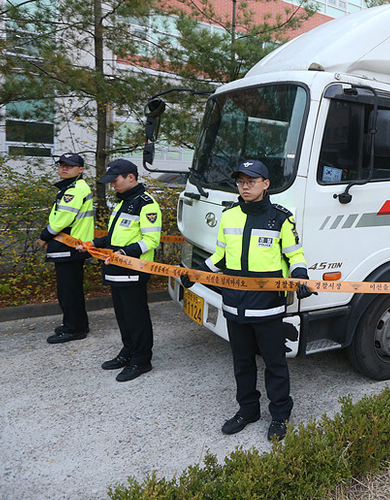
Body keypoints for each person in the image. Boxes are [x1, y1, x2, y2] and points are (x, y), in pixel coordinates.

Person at [182, 160, 314, 442]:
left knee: (274, 363)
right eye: (241, 181)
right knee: (242, 362)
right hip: (234, 304)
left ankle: (279, 415)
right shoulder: (229, 216)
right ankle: (248, 410)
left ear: (265, 184)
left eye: (251, 181)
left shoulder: (281, 217)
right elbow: (219, 257)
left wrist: (301, 277)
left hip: (267, 305)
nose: (244, 186)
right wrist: (195, 274)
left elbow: (295, 255)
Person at [80, 159, 162, 382]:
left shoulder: (146, 204)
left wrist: (124, 254)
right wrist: (95, 244)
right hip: (116, 268)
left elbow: (151, 240)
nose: (112, 186)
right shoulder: (123, 202)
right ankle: (129, 350)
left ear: (131, 178)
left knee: (136, 317)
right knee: (123, 316)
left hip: (133, 270)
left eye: (115, 181)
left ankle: (142, 359)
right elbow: (116, 237)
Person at [37, 152, 95, 343]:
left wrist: (44, 236)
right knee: (69, 290)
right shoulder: (72, 187)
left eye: (69, 165)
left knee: (69, 291)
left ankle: (75, 328)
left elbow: (63, 219)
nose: (64, 168)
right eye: (62, 164)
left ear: (81, 169)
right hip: (70, 246)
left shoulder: (74, 189)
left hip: (69, 247)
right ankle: (73, 323)